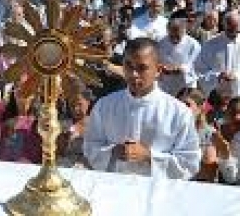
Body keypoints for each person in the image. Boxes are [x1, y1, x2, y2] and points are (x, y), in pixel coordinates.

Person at [83, 38, 201, 179]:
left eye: (142, 68)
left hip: (158, 192)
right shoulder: (104, 106)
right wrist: (113, 151)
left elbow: (189, 163)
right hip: (114, 188)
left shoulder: (178, 113)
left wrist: (148, 156)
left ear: (158, 70)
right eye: (128, 66)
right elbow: (90, 147)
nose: (134, 74)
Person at [195, 11, 240, 98]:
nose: (232, 30)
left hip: (238, 95)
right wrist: (218, 76)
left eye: (235, 27)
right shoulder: (210, 44)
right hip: (215, 94)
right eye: (229, 26)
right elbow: (200, 70)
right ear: (224, 25)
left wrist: (237, 77)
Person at [176, 88, 218, 182]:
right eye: (178, 104)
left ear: (200, 107)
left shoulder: (209, 134)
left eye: (187, 105)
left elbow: (209, 173)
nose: (182, 108)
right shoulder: (169, 130)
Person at [157, 11, 201, 96]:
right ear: (167, 31)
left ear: (184, 31)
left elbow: (197, 64)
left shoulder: (193, 44)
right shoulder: (161, 42)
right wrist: (162, 67)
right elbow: (157, 60)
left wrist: (182, 69)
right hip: (166, 84)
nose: (174, 40)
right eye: (171, 36)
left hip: (185, 84)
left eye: (178, 36)